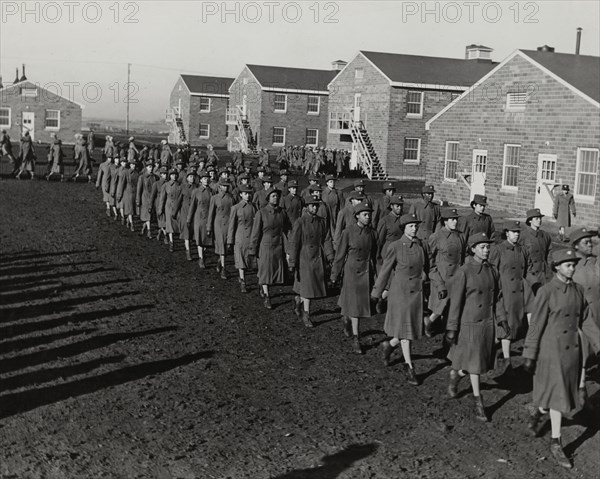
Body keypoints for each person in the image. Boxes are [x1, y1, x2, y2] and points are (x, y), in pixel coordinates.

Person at [523, 249, 589, 469]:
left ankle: (538, 410)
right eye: (568, 265)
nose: (572, 268)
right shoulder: (546, 291)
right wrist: (529, 353)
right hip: (551, 352)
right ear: (557, 267)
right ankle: (556, 442)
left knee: (558, 396)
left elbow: (586, 321)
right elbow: (536, 325)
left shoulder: (578, 291)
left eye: (573, 264)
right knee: (559, 398)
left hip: (572, 352)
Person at [372, 213, 429, 385]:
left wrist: (424, 276)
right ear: (404, 228)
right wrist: (377, 292)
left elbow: (423, 267)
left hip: (416, 293)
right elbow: (385, 270)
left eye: (416, 226)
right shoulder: (395, 246)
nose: (414, 228)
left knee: (408, 329)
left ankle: (389, 345)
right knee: (407, 333)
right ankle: (409, 367)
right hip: (401, 293)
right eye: (411, 226)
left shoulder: (419, 246)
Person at [330, 201, 378, 354]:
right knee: (356, 306)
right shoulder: (348, 232)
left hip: (365, 272)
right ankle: (356, 338)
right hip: (351, 272)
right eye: (365, 215)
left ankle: (346, 317)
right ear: (357, 216)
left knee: (357, 305)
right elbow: (340, 255)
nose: (368, 217)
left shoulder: (373, 233)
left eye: (369, 214)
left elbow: (376, 256)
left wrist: (377, 276)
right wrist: (334, 275)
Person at [488, 220, 533, 374]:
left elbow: (527, 270)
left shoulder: (523, 251)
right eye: (513, 232)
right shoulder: (498, 250)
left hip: (520, 291)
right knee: (506, 325)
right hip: (504, 292)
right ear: (506, 233)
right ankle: (507, 361)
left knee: (518, 325)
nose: (516, 235)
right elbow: (492, 270)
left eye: (518, 232)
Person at [288, 197, 335, 328]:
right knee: (308, 288)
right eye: (312, 206)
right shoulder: (300, 222)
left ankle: (299, 301)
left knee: (308, 286)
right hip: (305, 258)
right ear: (306, 207)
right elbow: (294, 243)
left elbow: (326, 239)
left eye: (316, 206)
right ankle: (306, 314)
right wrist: (292, 262)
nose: (315, 208)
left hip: (318, 257)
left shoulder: (321, 222)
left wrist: (330, 256)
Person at [425, 207, 466, 337]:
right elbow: (429, 260)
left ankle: (444, 328)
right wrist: (435, 277)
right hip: (442, 276)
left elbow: (463, 256)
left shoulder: (460, 235)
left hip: (457, 276)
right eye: (452, 219)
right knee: (441, 305)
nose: (455, 222)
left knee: (453, 305)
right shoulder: (436, 237)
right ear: (445, 221)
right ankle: (428, 322)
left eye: (456, 219)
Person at [249, 187, 291, 309]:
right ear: (268, 198)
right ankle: (267, 296)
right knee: (266, 272)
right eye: (273, 196)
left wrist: (288, 248)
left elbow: (287, 229)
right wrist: (253, 249)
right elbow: (255, 233)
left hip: (278, 245)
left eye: (277, 196)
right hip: (265, 246)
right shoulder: (261, 213)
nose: (276, 198)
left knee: (274, 272)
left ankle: (262, 285)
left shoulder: (282, 212)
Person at [571, 228, 600, 363]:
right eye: (586, 242)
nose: (590, 245)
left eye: (590, 242)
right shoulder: (571, 266)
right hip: (581, 314)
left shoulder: (594, 263)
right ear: (576, 245)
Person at [374, 195, 405, 313]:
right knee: (387, 279)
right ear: (391, 206)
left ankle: (391, 300)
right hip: (387, 252)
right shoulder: (385, 220)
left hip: (400, 252)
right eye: (397, 206)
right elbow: (379, 240)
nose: (399, 208)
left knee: (397, 278)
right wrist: (377, 256)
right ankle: (380, 299)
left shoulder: (403, 219)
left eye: (401, 206)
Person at [227, 185, 257, 293]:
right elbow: (231, 226)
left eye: (249, 193)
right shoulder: (236, 208)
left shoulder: (253, 207)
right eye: (245, 193)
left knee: (251, 259)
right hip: (240, 237)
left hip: (252, 236)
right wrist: (230, 241)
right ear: (240, 194)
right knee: (241, 260)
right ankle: (243, 281)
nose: (247, 196)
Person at [521, 208, 553, 295]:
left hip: (544, 273)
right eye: (536, 218)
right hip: (531, 273)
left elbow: (549, 254)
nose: (539, 220)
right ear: (530, 221)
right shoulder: (524, 236)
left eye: (540, 218)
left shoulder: (545, 235)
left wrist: (550, 268)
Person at [207, 178, 234, 279]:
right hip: (218, 224)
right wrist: (209, 227)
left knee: (226, 246)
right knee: (222, 244)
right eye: (223, 186)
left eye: (227, 186)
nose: (225, 188)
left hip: (229, 224)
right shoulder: (214, 198)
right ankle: (223, 268)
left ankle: (219, 262)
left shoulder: (231, 198)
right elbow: (211, 214)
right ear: (220, 187)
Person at [187, 170, 214, 269]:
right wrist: (189, 219)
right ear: (201, 180)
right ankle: (201, 258)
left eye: (207, 179)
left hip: (209, 217)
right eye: (204, 179)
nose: (206, 180)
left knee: (207, 239)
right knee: (200, 239)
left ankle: (203, 254)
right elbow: (192, 207)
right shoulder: (196, 192)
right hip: (199, 217)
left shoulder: (212, 191)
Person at [158, 169, 183, 252]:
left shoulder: (180, 185)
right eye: (172, 175)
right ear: (170, 176)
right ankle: (171, 242)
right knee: (170, 225)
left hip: (178, 207)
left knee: (178, 223)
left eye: (175, 175)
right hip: (168, 207)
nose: (174, 176)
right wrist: (160, 209)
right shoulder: (166, 185)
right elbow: (162, 198)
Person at [180, 169, 198, 261]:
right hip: (185, 211)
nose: (192, 178)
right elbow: (179, 200)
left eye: (193, 176)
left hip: (194, 211)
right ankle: (188, 251)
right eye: (190, 176)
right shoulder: (182, 187)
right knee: (186, 231)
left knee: (192, 230)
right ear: (187, 178)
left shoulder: (196, 188)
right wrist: (175, 212)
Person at [117, 159, 139, 232]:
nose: (134, 166)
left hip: (134, 193)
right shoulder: (125, 172)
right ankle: (132, 224)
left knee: (132, 210)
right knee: (130, 209)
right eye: (132, 164)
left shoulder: (137, 173)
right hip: (127, 193)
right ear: (130, 165)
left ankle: (128, 220)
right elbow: (121, 184)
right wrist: (119, 195)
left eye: (135, 164)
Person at [136, 160, 157, 239]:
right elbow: (139, 190)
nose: (151, 169)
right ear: (146, 168)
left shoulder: (155, 177)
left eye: (152, 167)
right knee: (147, 216)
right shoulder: (142, 177)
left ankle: (143, 229)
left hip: (152, 199)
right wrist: (138, 200)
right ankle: (149, 231)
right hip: (144, 198)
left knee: (149, 216)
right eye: (149, 167)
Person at [150, 167, 169, 244]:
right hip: (158, 204)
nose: (165, 175)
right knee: (161, 221)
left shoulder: (168, 184)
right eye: (163, 174)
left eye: (166, 174)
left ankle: (159, 233)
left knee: (164, 221)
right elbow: (152, 196)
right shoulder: (156, 184)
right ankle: (165, 237)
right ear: (160, 175)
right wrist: (150, 206)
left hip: (167, 204)